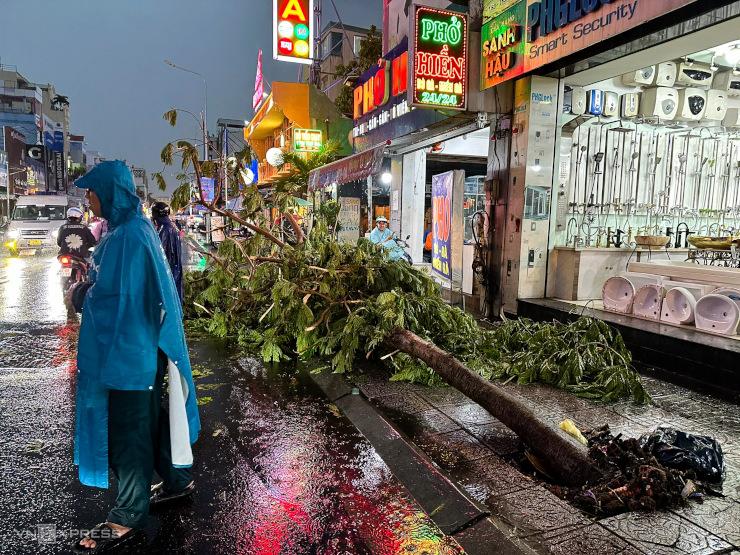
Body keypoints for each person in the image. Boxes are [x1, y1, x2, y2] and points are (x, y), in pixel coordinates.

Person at [68, 161, 200, 553]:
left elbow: (118, 302)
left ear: (111, 192)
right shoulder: (132, 231)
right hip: (141, 350)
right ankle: (177, 482)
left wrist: (81, 295)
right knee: (149, 420)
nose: (88, 199)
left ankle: (127, 515)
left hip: (128, 354)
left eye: (92, 192)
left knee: (128, 434)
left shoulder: (127, 237)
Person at [151, 201, 183, 303]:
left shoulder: (164, 229)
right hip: (174, 269)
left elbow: (160, 254)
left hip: (168, 271)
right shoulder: (171, 226)